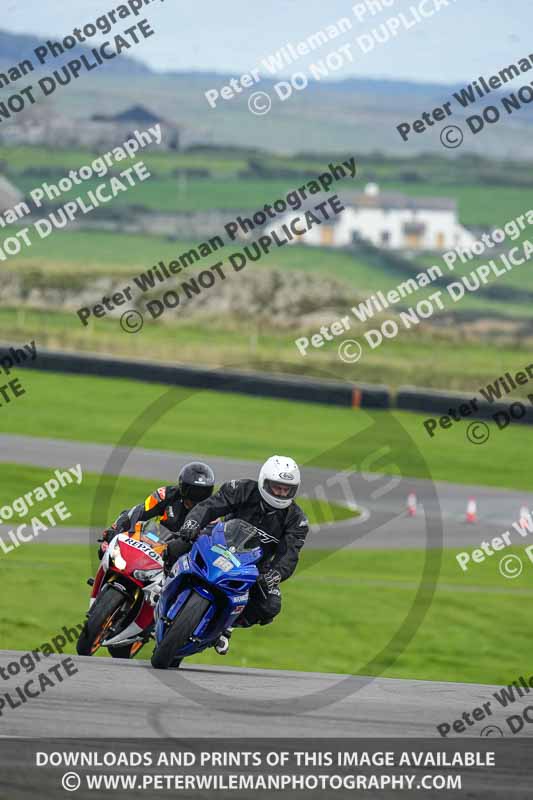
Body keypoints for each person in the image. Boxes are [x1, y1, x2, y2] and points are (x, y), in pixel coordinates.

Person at [164, 455, 309, 656]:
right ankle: (159, 585)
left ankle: (226, 626)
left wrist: (275, 574)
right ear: (264, 482)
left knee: (270, 605)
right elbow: (210, 505)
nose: (281, 493)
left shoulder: (297, 519)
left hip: (254, 566)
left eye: (286, 489)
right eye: (277, 487)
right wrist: (193, 523)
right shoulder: (241, 489)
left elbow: (290, 554)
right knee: (176, 546)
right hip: (218, 543)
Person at [100, 461, 216, 554]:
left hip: (181, 560)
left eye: (203, 492)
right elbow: (138, 512)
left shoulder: (212, 513)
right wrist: (114, 531)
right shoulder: (165, 495)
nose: (197, 497)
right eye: (193, 491)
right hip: (152, 545)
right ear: (182, 486)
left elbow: (209, 543)